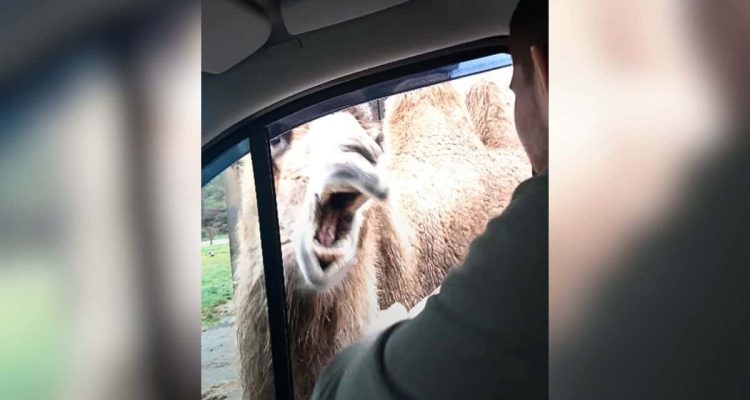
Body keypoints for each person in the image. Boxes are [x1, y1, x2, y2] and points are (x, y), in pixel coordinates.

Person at [312, 1, 549, 398]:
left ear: (544, 76)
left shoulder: (555, 225)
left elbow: (343, 393)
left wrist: (385, 336)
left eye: (517, 87)